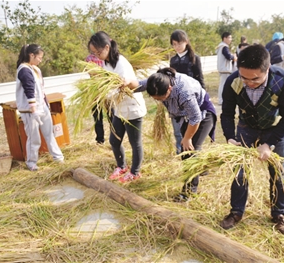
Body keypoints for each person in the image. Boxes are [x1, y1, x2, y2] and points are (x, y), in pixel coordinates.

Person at [220, 44, 284, 235]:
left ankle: (278, 214)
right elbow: (227, 113)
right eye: (244, 77)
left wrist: (269, 143)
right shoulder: (233, 81)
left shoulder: (283, 81)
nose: (248, 82)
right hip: (246, 129)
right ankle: (236, 212)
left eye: (255, 79)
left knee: (279, 174)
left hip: (274, 130)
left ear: (267, 69)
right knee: (240, 172)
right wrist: (230, 137)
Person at [126, 67, 217, 202]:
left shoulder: (184, 91)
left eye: (161, 98)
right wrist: (124, 82)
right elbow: (138, 85)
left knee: (188, 153)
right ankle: (201, 167)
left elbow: (195, 118)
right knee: (190, 150)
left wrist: (187, 138)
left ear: (169, 88)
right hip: (184, 115)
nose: (159, 100)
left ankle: (189, 192)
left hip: (202, 114)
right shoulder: (156, 81)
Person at [88, 31, 147, 183]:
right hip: (120, 109)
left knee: (135, 143)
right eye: (94, 53)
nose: (96, 56)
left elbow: (122, 87)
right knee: (114, 141)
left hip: (132, 108)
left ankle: (135, 172)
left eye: (98, 52)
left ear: (107, 47)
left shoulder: (121, 63)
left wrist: (103, 95)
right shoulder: (107, 63)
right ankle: (121, 166)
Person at [15, 44, 64, 171]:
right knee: (34, 137)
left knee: (49, 133)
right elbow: (29, 89)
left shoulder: (35, 69)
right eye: (39, 57)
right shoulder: (24, 70)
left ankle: (58, 157)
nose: (40, 60)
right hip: (30, 110)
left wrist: (44, 105)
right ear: (31, 55)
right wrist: (33, 109)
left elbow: (40, 90)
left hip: (42, 106)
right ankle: (31, 162)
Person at [169, 29, 206, 154]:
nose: (177, 47)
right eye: (174, 44)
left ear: (186, 42)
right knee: (177, 127)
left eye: (179, 43)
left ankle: (194, 151)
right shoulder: (173, 60)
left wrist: (203, 97)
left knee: (192, 122)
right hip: (176, 97)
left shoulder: (194, 58)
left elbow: (199, 78)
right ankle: (179, 150)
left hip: (191, 96)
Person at [85, 53, 113, 145]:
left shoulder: (106, 57)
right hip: (95, 89)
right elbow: (90, 72)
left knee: (111, 115)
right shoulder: (89, 58)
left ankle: (114, 138)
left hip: (106, 88)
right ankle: (100, 140)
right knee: (97, 116)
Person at [216, 32, 237, 105]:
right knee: (223, 85)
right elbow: (228, 56)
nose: (230, 39)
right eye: (229, 38)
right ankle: (221, 100)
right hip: (225, 69)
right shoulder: (224, 47)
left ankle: (221, 99)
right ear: (224, 38)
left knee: (222, 84)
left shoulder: (220, 46)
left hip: (222, 68)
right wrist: (234, 57)